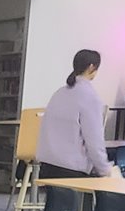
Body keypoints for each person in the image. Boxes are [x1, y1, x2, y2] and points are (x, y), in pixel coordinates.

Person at [37, 48, 115, 180]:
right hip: (72, 170)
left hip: (47, 165)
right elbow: (94, 141)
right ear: (92, 67)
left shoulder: (59, 93)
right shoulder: (90, 97)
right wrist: (105, 169)